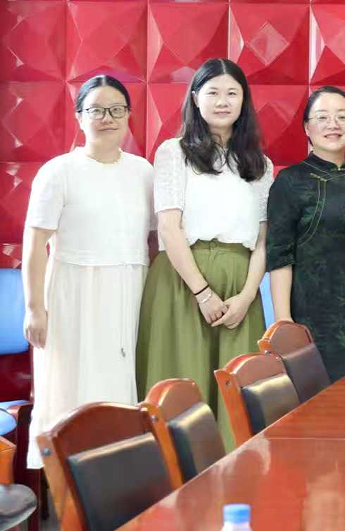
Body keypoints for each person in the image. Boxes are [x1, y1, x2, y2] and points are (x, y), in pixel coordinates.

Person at [137, 58, 274, 448]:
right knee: (181, 386)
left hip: (239, 287)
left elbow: (263, 240)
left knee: (238, 393)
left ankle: (236, 475)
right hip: (183, 282)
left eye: (232, 93)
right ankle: (175, 476)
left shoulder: (260, 164)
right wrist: (202, 292)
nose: (222, 101)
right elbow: (169, 227)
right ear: (195, 98)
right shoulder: (173, 152)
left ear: (244, 101)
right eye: (213, 92)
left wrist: (247, 296)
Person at [22, 75, 154, 469]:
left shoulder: (143, 172)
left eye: (116, 109)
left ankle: (118, 475)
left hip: (129, 289)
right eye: (96, 110)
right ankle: (69, 482)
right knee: (71, 386)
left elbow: (154, 238)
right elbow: (35, 244)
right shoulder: (58, 171)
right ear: (80, 117)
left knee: (119, 382)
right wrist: (35, 309)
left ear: (128, 115)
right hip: (73, 292)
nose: (107, 118)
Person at [267, 86, 345, 382]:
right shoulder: (290, 181)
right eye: (322, 117)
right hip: (310, 316)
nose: (333, 124)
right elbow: (279, 256)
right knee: (316, 398)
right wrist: (283, 321)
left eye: (342, 116)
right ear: (307, 127)